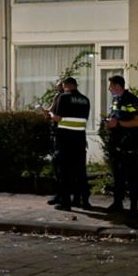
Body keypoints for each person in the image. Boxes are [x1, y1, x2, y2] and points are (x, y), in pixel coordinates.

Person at [47, 77, 91, 211]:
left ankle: (66, 203)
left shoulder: (64, 98)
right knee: (80, 172)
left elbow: (59, 117)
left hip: (65, 139)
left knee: (64, 172)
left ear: (66, 85)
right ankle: (85, 202)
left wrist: (50, 115)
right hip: (80, 139)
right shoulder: (85, 99)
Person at [104, 74, 138, 214]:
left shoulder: (131, 99)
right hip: (117, 142)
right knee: (118, 176)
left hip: (129, 143)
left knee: (131, 176)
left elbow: (137, 121)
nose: (109, 89)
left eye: (111, 86)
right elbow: (116, 116)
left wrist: (119, 124)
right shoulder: (116, 99)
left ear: (117, 86)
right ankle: (117, 203)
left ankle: (133, 206)